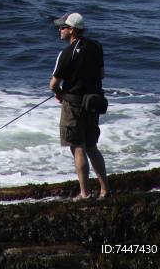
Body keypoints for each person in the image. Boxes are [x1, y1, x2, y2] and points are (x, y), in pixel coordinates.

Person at [50, 12, 109, 201]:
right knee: (92, 146)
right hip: (92, 103)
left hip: (73, 104)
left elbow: (53, 84)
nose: (60, 30)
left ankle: (84, 194)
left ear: (72, 30)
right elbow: (101, 75)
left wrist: (60, 94)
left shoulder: (65, 54)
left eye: (63, 27)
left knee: (78, 148)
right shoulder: (96, 47)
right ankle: (105, 190)